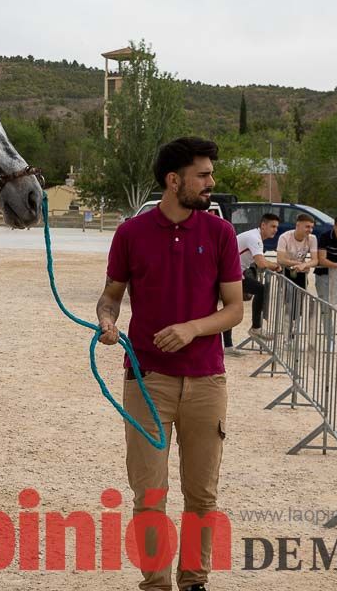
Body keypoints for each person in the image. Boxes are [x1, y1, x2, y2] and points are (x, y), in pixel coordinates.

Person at [98, 136, 244, 591]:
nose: (211, 184)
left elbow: (234, 309)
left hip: (207, 382)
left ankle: (194, 580)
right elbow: (110, 296)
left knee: (202, 495)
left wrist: (192, 328)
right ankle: (156, 583)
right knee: (149, 495)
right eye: (203, 175)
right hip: (147, 382)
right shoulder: (130, 233)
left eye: (210, 175)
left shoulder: (220, 234)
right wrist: (107, 322)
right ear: (173, 179)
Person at [235, 213, 280, 337]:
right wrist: (276, 266)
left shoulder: (254, 235)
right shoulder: (254, 238)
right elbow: (261, 263)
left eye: (277, 227)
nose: (275, 230)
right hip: (230, 273)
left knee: (232, 306)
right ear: (263, 225)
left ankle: (254, 328)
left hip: (235, 272)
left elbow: (259, 260)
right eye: (273, 226)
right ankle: (256, 327)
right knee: (232, 307)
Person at [276, 213, 319, 290]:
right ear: (298, 225)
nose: (310, 230)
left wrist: (304, 265)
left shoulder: (312, 238)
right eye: (307, 227)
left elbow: (315, 260)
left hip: (301, 271)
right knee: (289, 298)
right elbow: (280, 259)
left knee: (301, 297)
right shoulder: (284, 237)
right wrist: (300, 264)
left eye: (312, 227)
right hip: (285, 270)